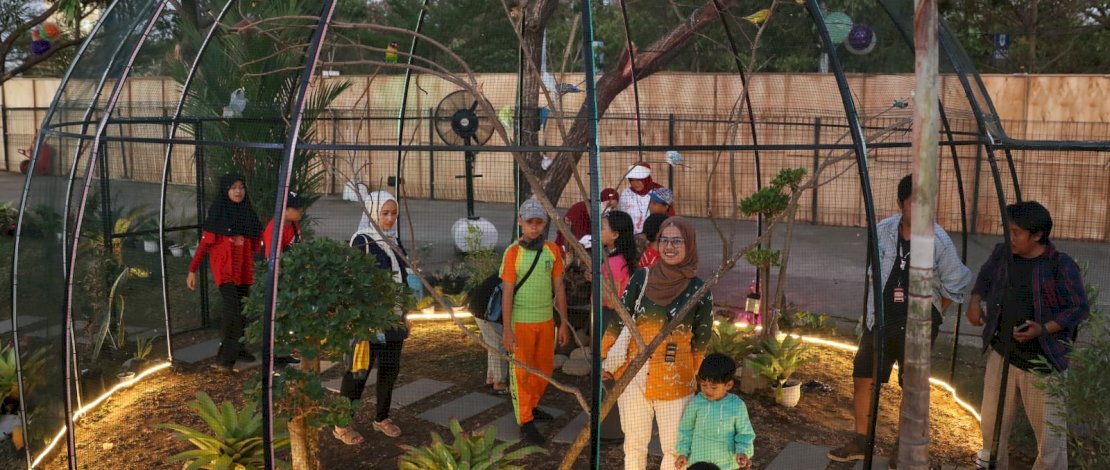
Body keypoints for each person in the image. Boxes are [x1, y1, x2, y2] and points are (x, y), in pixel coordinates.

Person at [828, 174, 971, 463]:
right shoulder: (883, 230)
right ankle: (861, 439)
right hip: (880, 320)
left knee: (911, 383)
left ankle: (904, 445)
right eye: (912, 205)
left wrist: (934, 314)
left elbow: (957, 282)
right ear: (899, 204)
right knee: (864, 374)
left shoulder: (938, 241)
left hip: (917, 326)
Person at [968, 201, 1088, 469]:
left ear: (1037, 235)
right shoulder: (1002, 253)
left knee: (1050, 439)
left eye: (1016, 232)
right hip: (1002, 355)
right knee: (991, 428)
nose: (1009, 238)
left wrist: (1043, 328)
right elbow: (985, 279)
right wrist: (975, 302)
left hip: (1042, 362)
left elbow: (1079, 307)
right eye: (1006, 230)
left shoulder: (1059, 265)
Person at [602, 217, 715, 470]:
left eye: (677, 241)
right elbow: (620, 319)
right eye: (664, 240)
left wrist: (689, 372)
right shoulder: (641, 278)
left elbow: (702, 339)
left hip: (675, 380)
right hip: (633, 375)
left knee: (675, 450)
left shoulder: (699, 290)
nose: (669, 246)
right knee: (634, 444)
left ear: (690, 245)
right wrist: (606, 358)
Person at [333, 191, 414, 444]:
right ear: (371, 213)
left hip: (394, 321)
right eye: (384, 213)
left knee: (390, 370)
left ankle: (381, 418)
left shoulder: (394, 241)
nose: (390, 219)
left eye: (393, 213)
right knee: (358, 371)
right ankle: (342, 424)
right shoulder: (362, 242)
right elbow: (354, 282)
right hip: (368, 323)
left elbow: (403, 283)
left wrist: (405, 315)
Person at [501, 198, 572, 445]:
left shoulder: (552, 251)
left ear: (545, 224)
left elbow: (560, 290)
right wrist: (507, 331)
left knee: (544, 369)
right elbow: (507, 292)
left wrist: (562, 322)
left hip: (545, 322)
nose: (533, 227)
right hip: (520, 323)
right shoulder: (512, 253)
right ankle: (525, 420)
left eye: (538, 223)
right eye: (529, 222)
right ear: (520, 222)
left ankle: (531, 406)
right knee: (522, 371)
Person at [187, 173, 263, 371]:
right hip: (226, 273)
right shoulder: (218, 215)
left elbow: (256, 244)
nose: (238, 191)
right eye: (233, 188)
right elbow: (204, 245)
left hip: (244, 272)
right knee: (233, 313)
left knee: (243, 312)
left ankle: (240, 348)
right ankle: (225, 360)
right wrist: (192, 270)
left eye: (241, 187)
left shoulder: (248, 214)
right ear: (225, 190)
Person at [675, 353, 756, 470]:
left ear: (728, 385)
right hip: (698, 464)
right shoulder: (697, 402)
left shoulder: (737, 406)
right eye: (703, 385)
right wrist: (683, 452)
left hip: (727, 465)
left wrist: (742, 452)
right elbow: (686, 429)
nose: (708, 390)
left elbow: (745, 434)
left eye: (713, 387)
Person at [555, 187, 620, 249]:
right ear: (600, 201)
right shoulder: (581, 209)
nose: (609, 209)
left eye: (612, 208)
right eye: (608, 205)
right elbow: (575, 236)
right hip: (567, 248)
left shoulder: (601, 216)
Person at [618, 162, 673, 234]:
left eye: (638, 180)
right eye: (632, 180)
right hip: (629, 236)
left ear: (646, 179)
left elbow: (670, 215)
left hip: (653, 235)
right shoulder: (626, 193)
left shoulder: (659, 191)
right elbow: (620, 216)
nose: (635, 183)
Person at [260, 191, 306, 257]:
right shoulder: (274, 231)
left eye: (301, 207)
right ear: (284, 210)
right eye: (296, 208)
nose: (301, 210)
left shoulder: (294, 223)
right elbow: (272, 262)